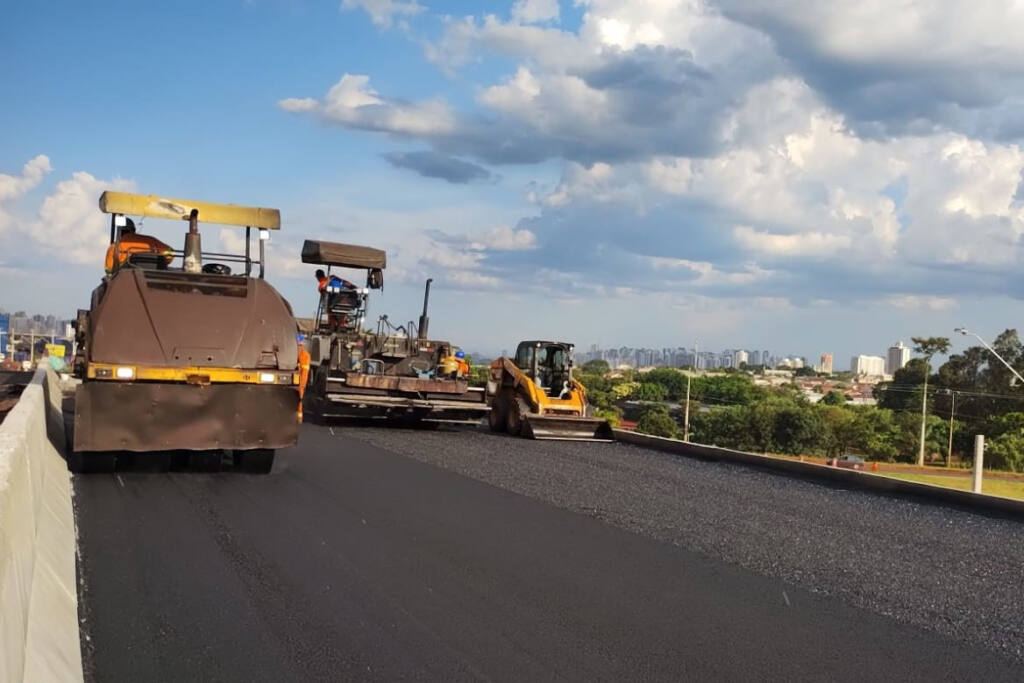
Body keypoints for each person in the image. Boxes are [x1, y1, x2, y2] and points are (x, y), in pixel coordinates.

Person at [104, 218, 174, 274]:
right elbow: (170, 254)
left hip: (127, 279)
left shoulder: (114, 247)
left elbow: (109, 271)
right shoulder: (151, 240)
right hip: (154, 275)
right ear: (133, 230)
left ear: (119, 231)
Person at [296, 333, 311, 423]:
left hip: (298, 383)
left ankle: (298, 417)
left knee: (298, 400)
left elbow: (304, 373)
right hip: (293, 382)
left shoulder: (305, 355)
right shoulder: (304, 354)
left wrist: (301, 386)